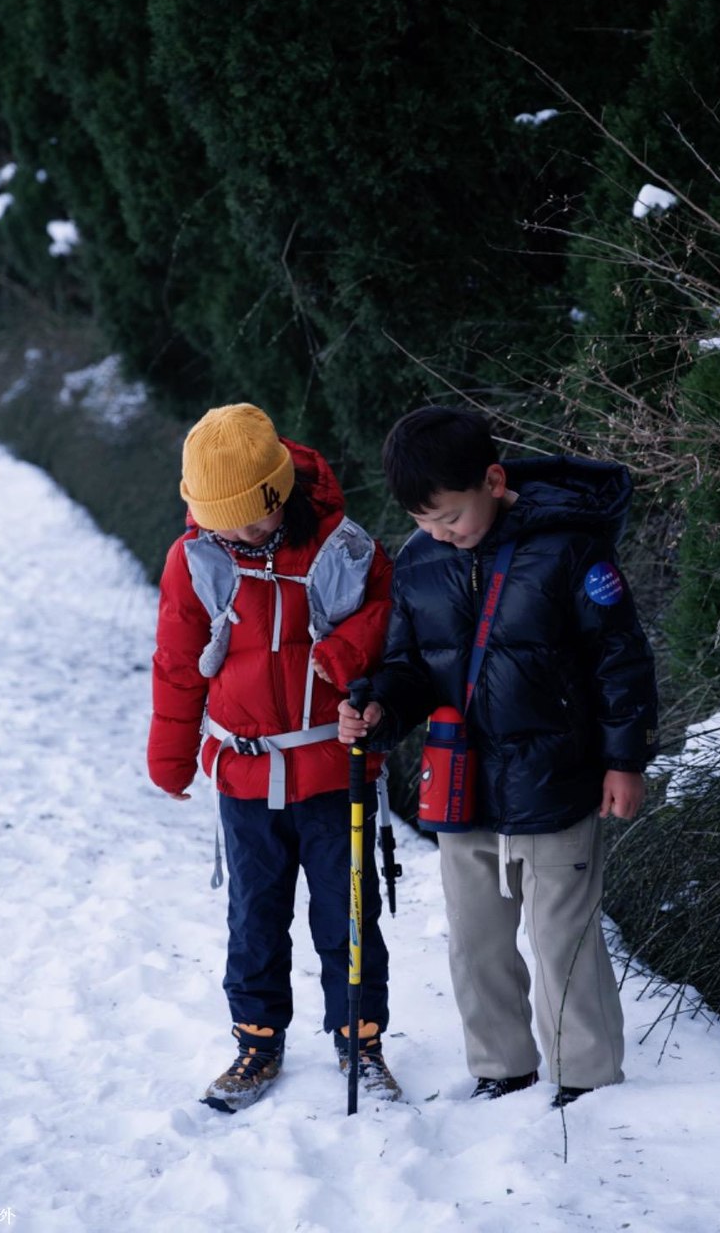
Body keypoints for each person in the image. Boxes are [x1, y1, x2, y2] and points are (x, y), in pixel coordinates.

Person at [338, 406, 658, 1108]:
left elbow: (621, 660)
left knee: (562, 936)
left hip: (557, 779)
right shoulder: (419, 563)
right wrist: (381, 707)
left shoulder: (570, 548)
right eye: (424, 521)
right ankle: (501, 1065)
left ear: (492, 480)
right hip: (462, 786)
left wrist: (624, 760)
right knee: (475, 938)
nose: (439, 532)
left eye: (451, 517)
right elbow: (410, 667)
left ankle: (586, 1077)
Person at [148, 402, 400, 1112]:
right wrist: (171, 758)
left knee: (348, 915)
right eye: (220, 523)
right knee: (254, 915)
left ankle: (360, 1040)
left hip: (334, 769)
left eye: (250, 521)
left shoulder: (344, 549)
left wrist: (344, 653)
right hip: (245, 771)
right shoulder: (195, 559)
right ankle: (257, 1041)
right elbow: (177, 663)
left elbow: (390, 618)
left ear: (279, 493)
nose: (236, 535)